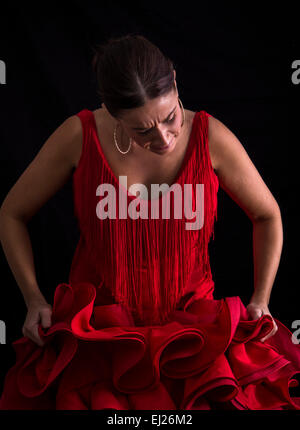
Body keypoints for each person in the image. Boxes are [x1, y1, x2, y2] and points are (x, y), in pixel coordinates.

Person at [0, 33, 299, 410]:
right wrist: (32, 298)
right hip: (98, 339)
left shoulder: (211, 137)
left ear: (174, 81)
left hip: (192, 337)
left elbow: (267, 214)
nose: (163, 138)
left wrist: (262, 298)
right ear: (110, 110)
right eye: (141, 130)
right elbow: (12, 213)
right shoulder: (79, 136)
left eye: (170, 117)